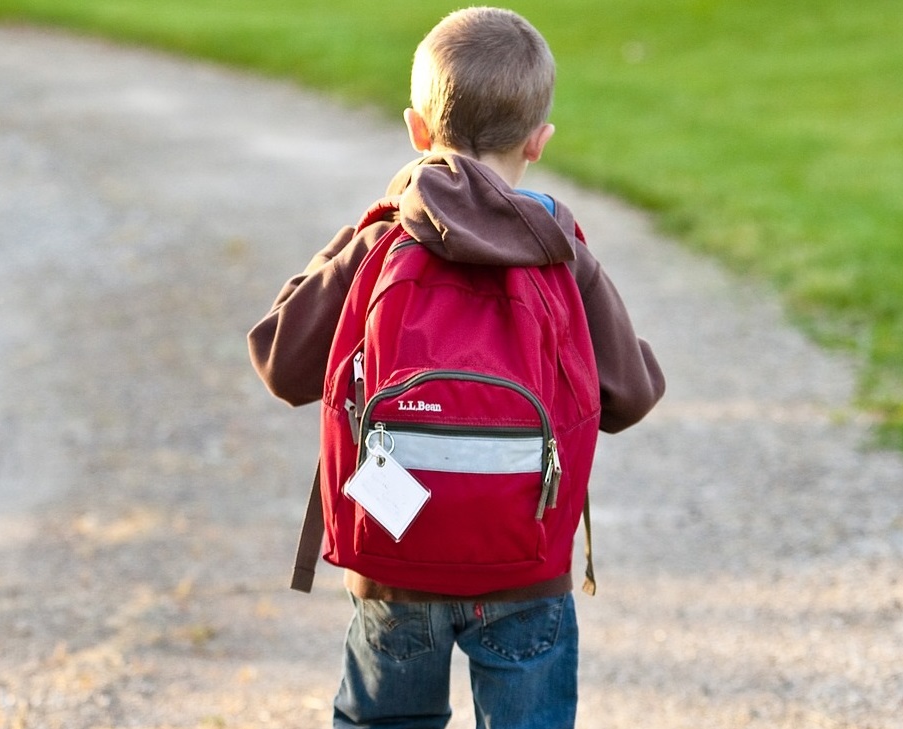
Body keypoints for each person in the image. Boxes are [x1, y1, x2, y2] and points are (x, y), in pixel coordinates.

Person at [247, 7, 664, 728]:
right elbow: (631, 397)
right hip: (524, 563)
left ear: (417, 130)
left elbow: (282, 361)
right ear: (539, 141)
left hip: (395, 556)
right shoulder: (561, 249)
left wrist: (361, 232)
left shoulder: (383, 237)